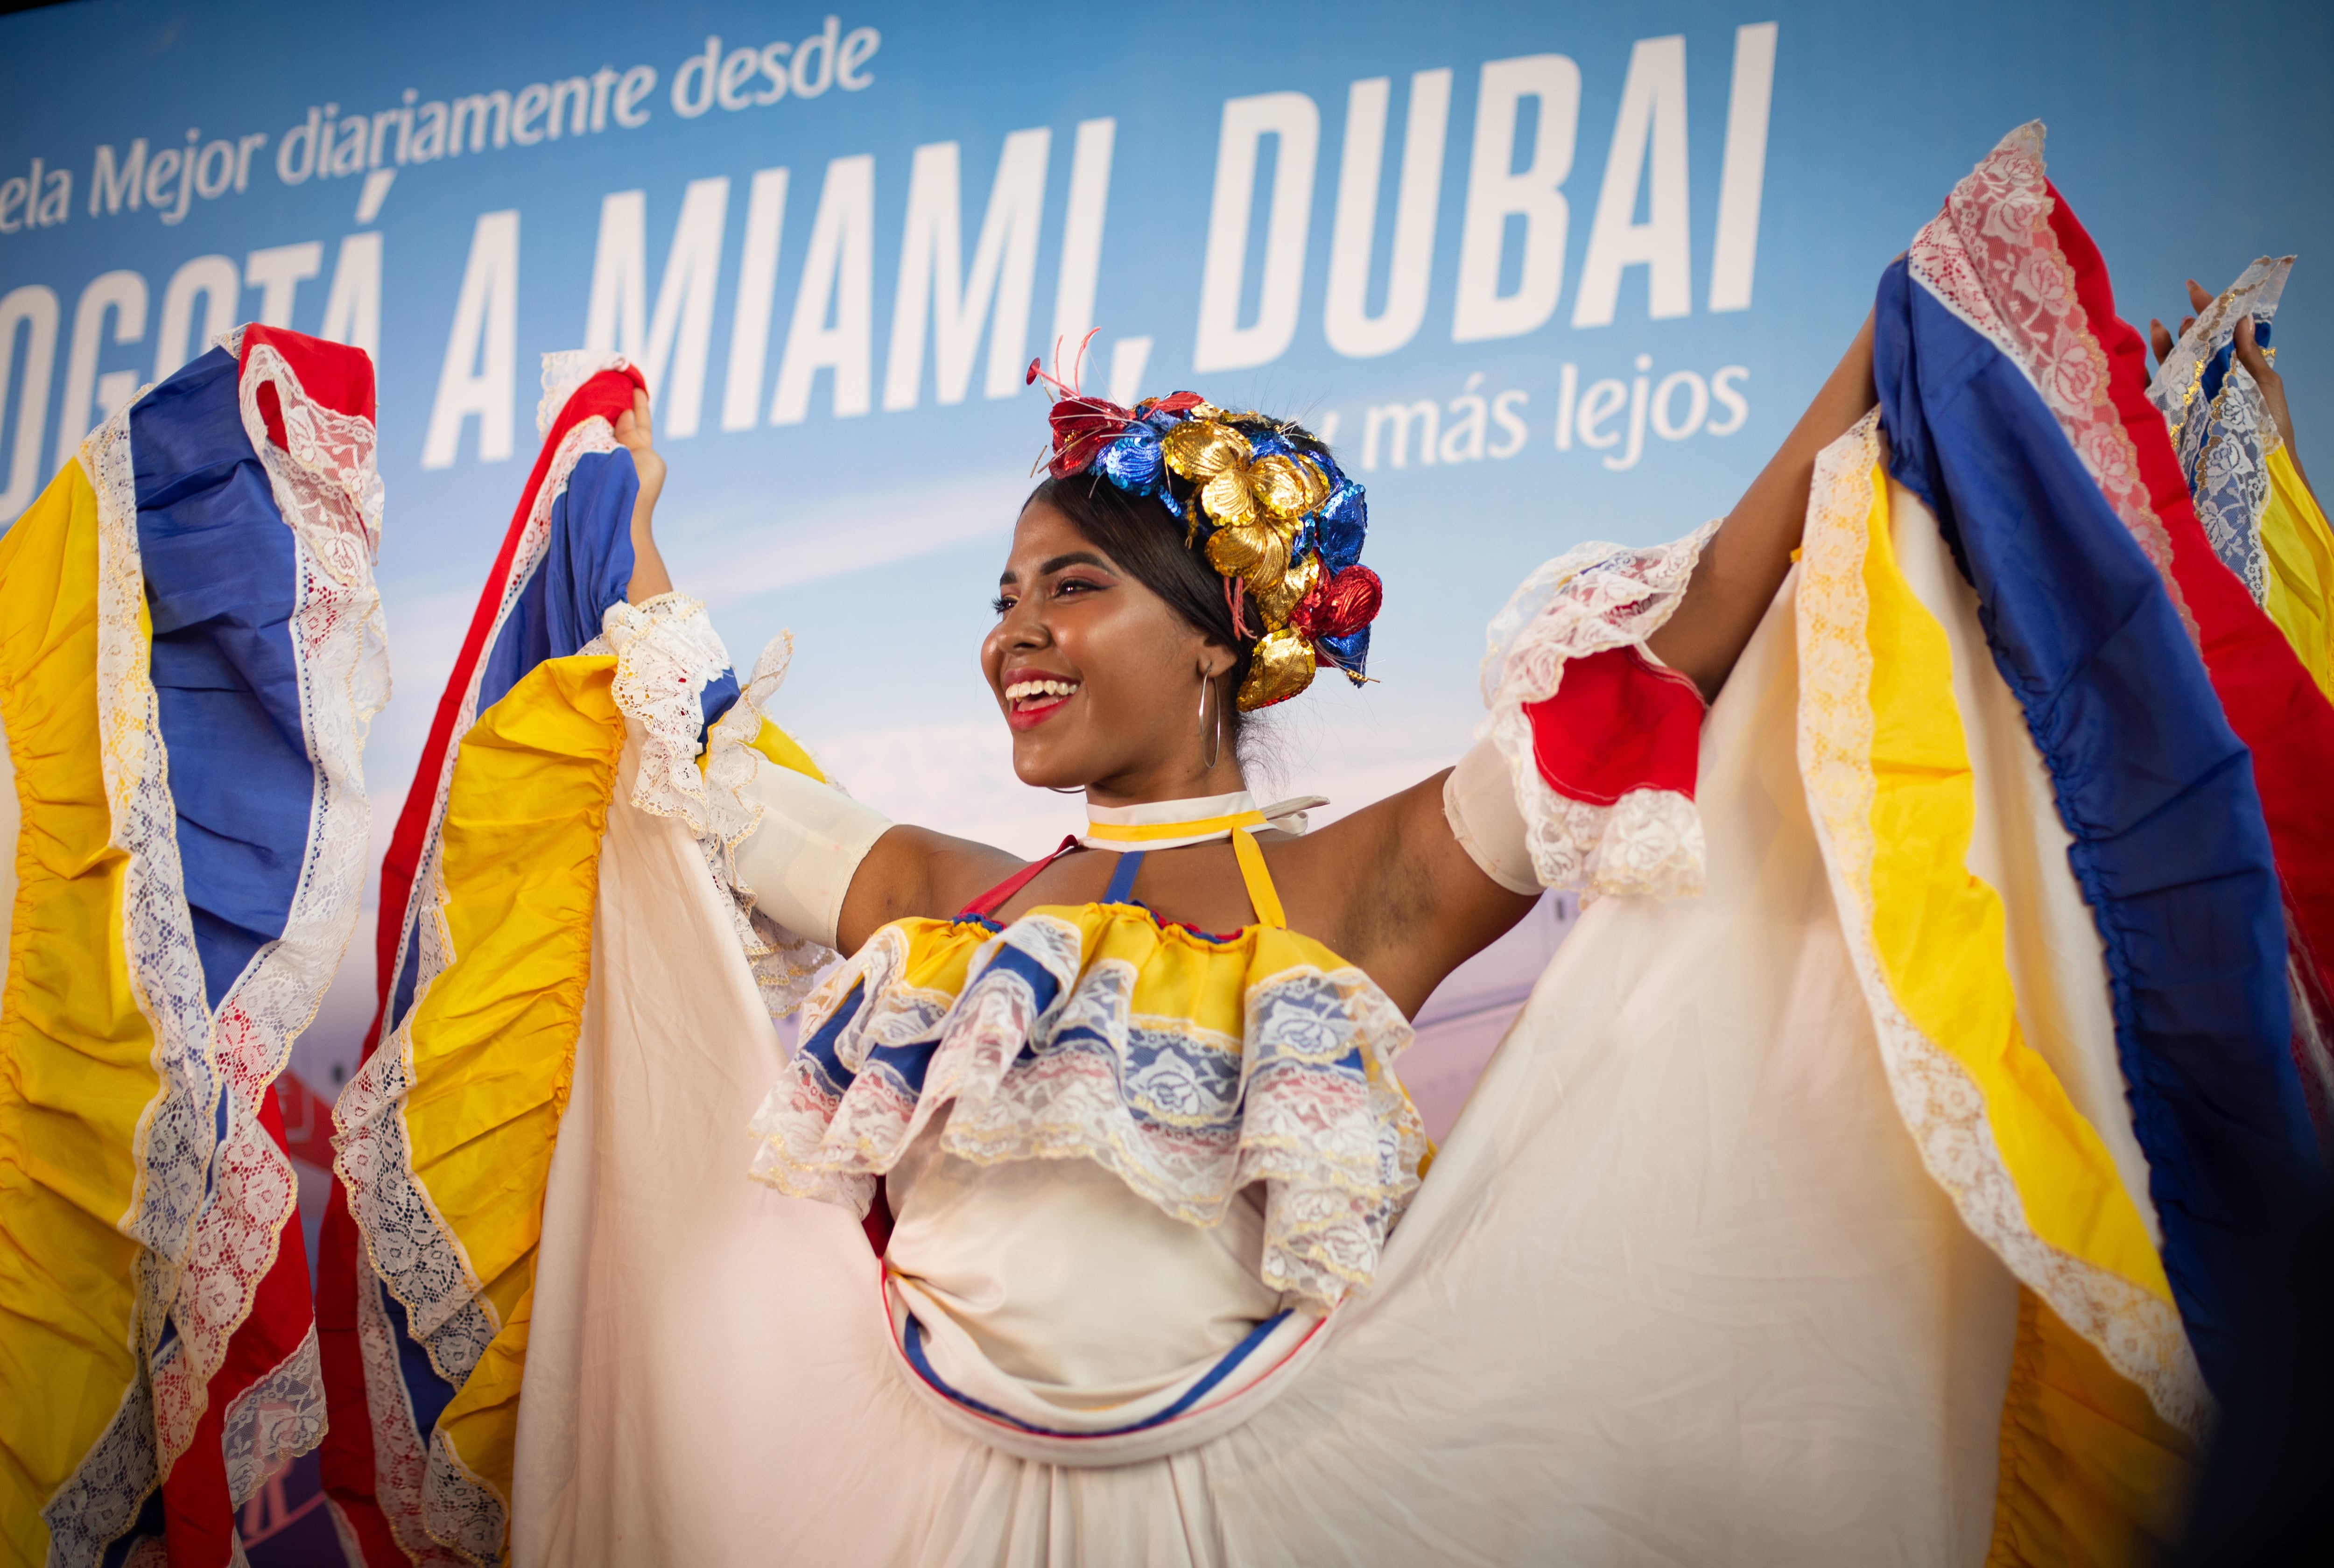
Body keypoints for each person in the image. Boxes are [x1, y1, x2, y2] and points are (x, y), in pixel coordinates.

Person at [324, 125, 2321, 1567]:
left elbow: (1684, 640)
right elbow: (697, 759)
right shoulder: (943, 895)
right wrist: (624, 511)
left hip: (1260, 1503)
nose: (1012, 633)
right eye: (1001, 595)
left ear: (1212, 638)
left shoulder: (1354, 882)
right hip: (888, 1495)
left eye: (1072, 587)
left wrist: (1893, 348)